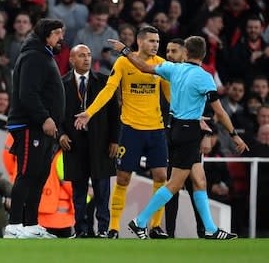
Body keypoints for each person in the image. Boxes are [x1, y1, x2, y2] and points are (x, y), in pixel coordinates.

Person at [107, 36, 248, 240]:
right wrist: (234, 135)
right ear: (204, 54)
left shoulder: (172, 68)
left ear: (186, 53)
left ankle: (210, 228)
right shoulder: (205, 77)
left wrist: (125, 51)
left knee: (200, 180)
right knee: (173, 184)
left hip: (173, 129)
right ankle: (140, 222)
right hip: (189, 132)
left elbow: (143, 67)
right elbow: (221, 112)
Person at [74, 26, 170, 239]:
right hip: (131, 129)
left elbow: (170, 96)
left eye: (157, 41)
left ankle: (154, 226)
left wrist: (189, 115)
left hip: (156, 128)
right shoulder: (123, 62)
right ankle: (115, 227)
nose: (155, 45)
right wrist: (88, 113)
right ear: (140, 41)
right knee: (123, 178)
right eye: (151, 41)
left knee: (162, 176)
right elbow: (109, 90)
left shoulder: (161, 65)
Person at [3, 18, 65, 239]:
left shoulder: (42, 55)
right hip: (31, 126)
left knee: (39, 175)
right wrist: (45, 118)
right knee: (27, 173)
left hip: (42, 128)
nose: (61, 37)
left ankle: (30, 224)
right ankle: (14, 225)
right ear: (45, 34)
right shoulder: (33, 56)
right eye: (57, 33)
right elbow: (27, 93)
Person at [59, 44, 120, 238]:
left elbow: (114, 113)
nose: (87, 59)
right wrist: (60, 134)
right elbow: (56, 113)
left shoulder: (104, 82)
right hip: (74, 144)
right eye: (81, 55)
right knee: (79, 191)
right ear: (72, 60)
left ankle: (103, 229)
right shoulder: (62, 83)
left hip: (101, 143)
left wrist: (114, 140)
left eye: (89, 55)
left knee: (102, 189)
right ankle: (81, 229)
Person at [163, 39, 205, 238]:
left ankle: (203, 231)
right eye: (167, 51)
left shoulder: (196, 78)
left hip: (189, 137)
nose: (169, 54)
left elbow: (206, 110)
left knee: (195, 183)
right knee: (174, 185)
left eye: (174, 51)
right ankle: (170, 233)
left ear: (185, 54)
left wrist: (207, 134)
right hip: (171, 138)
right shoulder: (166, 75)